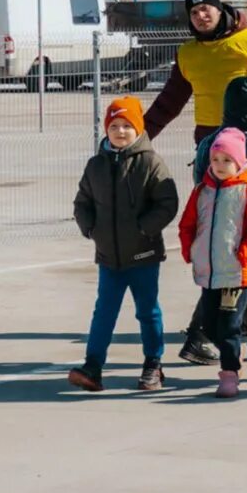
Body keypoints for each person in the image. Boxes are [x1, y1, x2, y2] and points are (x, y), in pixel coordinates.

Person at [144, 0, 247, 364]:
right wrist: (139, 137)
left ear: (221, 9)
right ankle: (236, 329)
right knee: (222, 239)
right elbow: (168, 102)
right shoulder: (188, 54)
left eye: (207, 9)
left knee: (246, 235)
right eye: (194, 11)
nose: (201, 15)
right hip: (209, 155)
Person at [70, 96, 180, 393]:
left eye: (127, 126)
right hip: (109, 257)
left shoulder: (150, 163)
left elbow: (167, 202)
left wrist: (144, 228)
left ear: (138, 129)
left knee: (147, 311)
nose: (120, 132)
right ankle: (93, 366)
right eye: (114, 126)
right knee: (104, 312)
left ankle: (153, 364)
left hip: (143, 255)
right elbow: (82, 202)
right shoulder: (96, 165)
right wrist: (90, 228)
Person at [177, 129, 247, 399]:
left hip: (236, 275)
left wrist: (244, 254)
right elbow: (187, 223)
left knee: (229, 325)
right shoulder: (202, 191)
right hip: (209, 273)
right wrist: (190, 250)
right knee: (209, 325)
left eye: (227, 160)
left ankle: (229, 373)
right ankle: (233, 355)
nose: (220, 165)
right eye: (215, 159)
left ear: (239, 162)